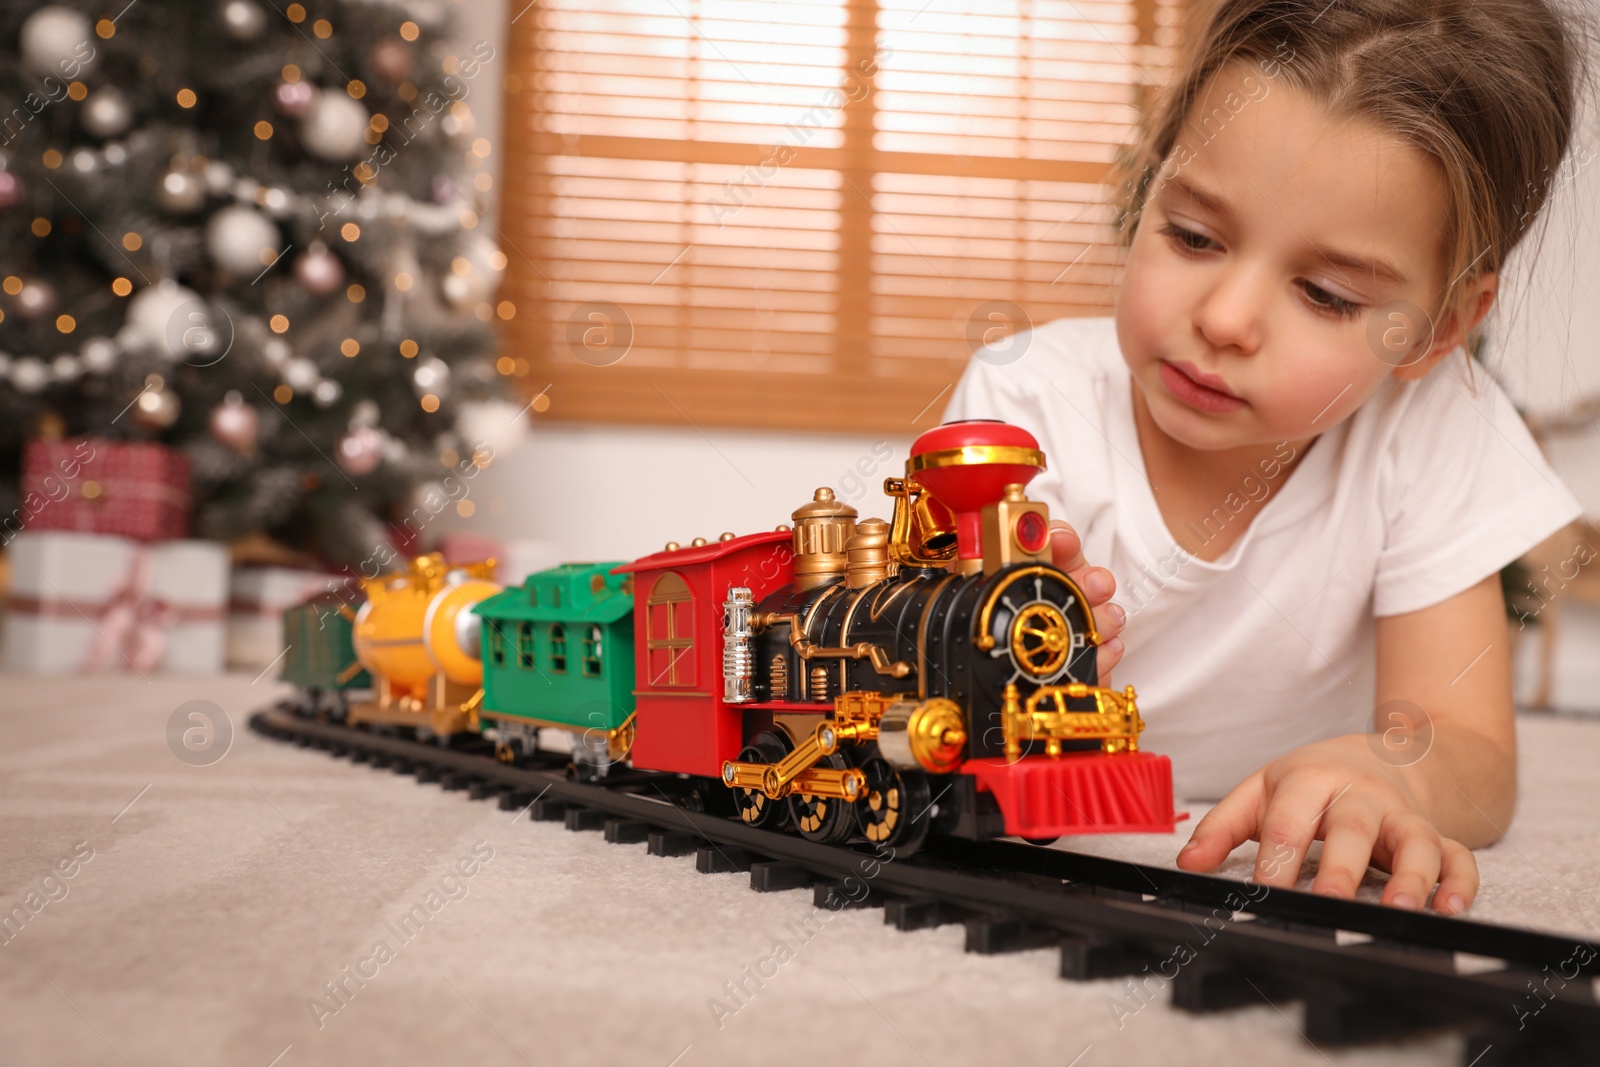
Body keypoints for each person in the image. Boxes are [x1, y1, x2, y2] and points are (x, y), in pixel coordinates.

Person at [943, 0, 1591, 914]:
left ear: (1437, 329)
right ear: (1150, 187)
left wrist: (1388, 771)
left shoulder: (1435, 427)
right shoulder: (1025, 399)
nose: (1224, 319)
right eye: (1193, 235)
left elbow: (1474, 753)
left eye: (1325, 295)